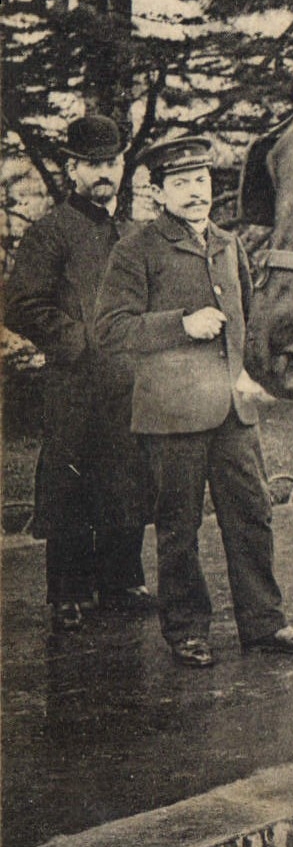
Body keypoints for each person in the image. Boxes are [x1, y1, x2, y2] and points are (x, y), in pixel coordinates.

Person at [95, 136, 293, 668]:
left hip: (232, 412)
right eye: (180, 183)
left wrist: (262, 373)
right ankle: (186, 632)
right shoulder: (135, 250)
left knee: (253, 516)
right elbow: (109, 330)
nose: (195, 192)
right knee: (179, 528)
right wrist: (181, 325)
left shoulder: (227, 244)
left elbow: (246, 319)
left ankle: (266, 624)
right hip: (172, 416)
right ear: (157, 193)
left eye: (201, 181)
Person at [4, 114, 155, 633]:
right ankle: (67, 592)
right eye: (92, 164)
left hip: (127, 381)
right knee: (70, 480)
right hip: (74, 382)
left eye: (111, 162)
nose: (104, 173)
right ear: (72, 169)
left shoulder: (135, 235)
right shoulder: (51, 234)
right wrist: (77, 339)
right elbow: (21, 303)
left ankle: (122, 581)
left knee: (126, 477)